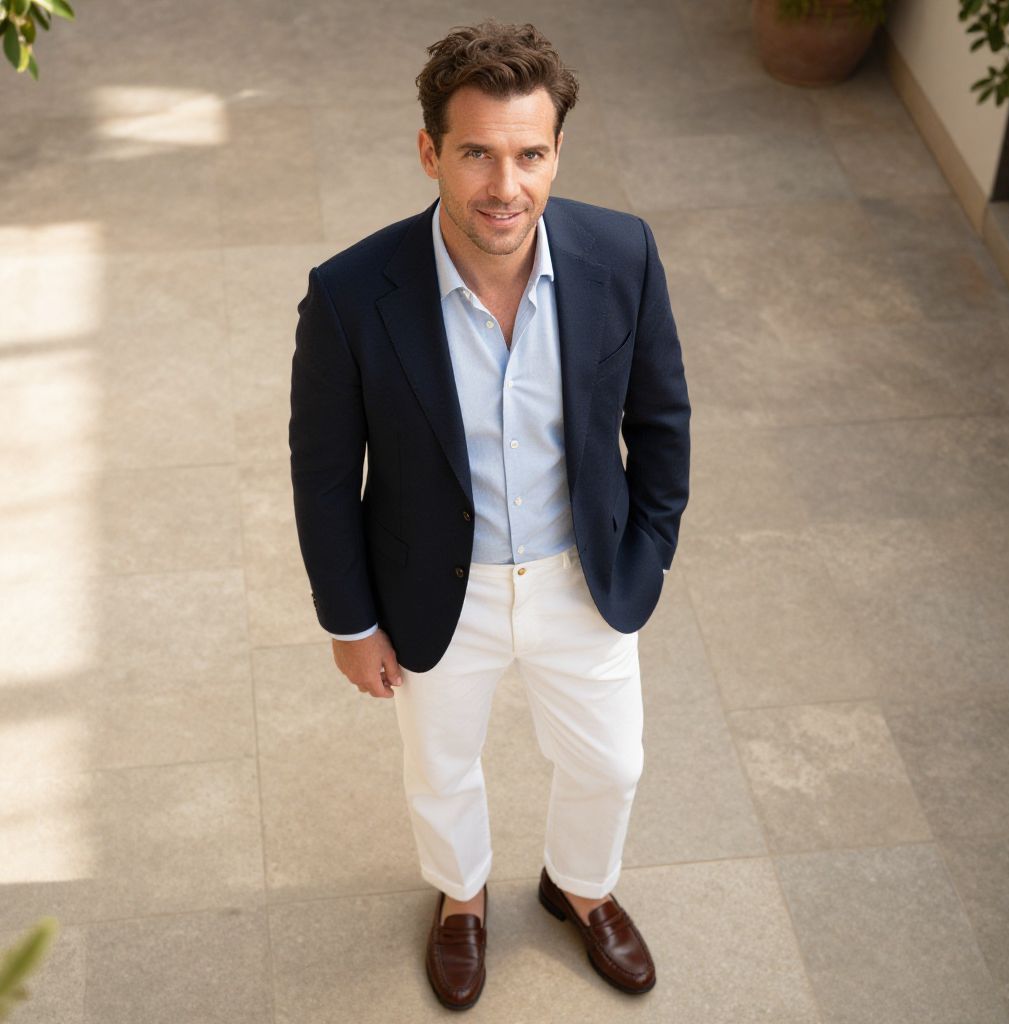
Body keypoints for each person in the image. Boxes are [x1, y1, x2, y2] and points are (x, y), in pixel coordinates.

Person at [289, 19, 691, 1011]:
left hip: (582, 578)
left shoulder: (623, 255)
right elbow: (324, 473)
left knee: (612, 762)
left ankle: (580, 885)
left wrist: (647, 555)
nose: (504, 186)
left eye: (529, 155)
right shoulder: (349, 294)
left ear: (557, 153)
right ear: (430, 152)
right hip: (435, 588)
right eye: (476, 153)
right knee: (440, 768)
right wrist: (350, 621)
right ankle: (461, 896)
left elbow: (661, 421)